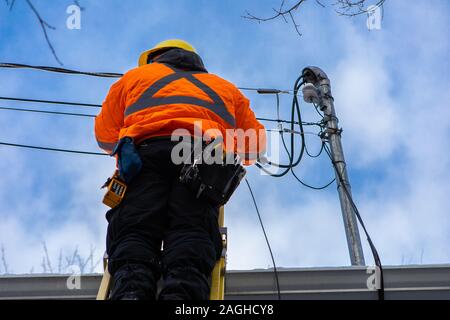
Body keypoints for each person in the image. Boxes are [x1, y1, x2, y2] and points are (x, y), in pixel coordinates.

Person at [95, 39, 266, 300]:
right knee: (192, 231)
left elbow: (105, 136)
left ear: (155, 59)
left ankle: (131, 293)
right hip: (202, 159)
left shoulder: (135, 78)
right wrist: (226, 145)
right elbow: (255, 146)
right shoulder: (225, 88)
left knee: (136, 230)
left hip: (146, 157)